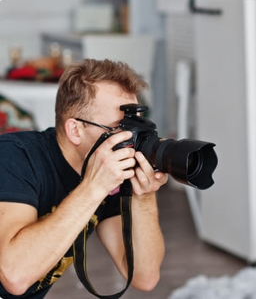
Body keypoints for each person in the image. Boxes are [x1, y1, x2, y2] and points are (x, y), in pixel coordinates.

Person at [0, 58, 168, 298]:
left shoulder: (109, 173)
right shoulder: (14, 156)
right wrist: (93, 187)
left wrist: (144, 196)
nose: (130, 138)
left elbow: (145, 276)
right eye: (120, 127)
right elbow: (14, 277)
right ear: (75, 130)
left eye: (136, 127)